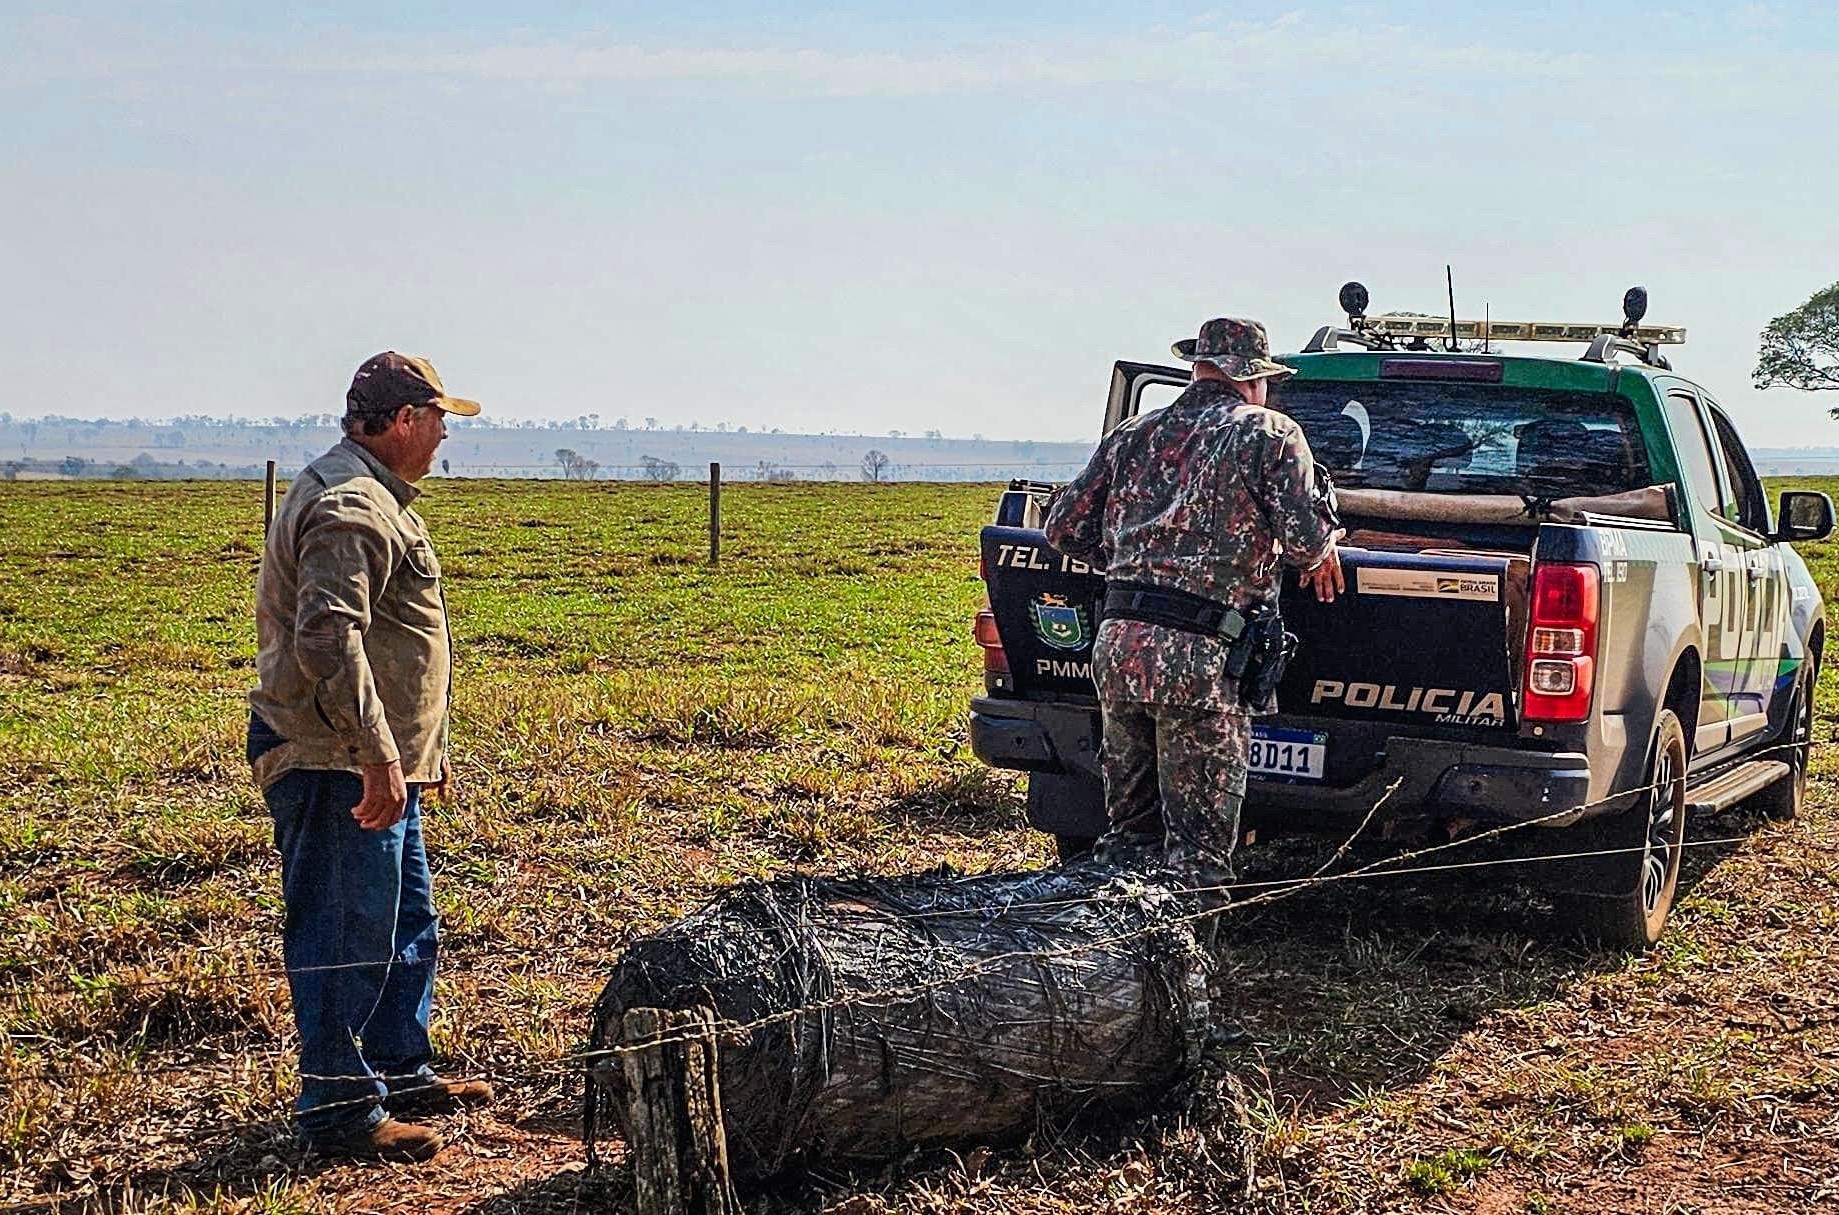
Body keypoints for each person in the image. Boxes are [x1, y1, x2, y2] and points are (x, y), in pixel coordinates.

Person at [247, 352, 492, 1162]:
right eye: (438, 417)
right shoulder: (352, 505)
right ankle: (341, 1111)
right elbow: (328, 634)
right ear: (401, 420)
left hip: (378, 756)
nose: (445, 432)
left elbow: (391, 646)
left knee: (404, 922)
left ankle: (398, 1066)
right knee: (347, 931)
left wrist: (419, 753)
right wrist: (375, 756)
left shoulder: (375, 495)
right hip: (336, 761)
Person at [1045, 317, 1343, 889]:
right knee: (1196, 852)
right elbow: (1306, 541)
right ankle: (1180, 973)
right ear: (1253, 378)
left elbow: (1062, 528)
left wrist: (1132, 566)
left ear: (1198, 367)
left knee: (1127, 836)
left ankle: (1108, 967)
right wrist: (1322, 551)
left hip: (1120, 644)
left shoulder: (1134, 432)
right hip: (1201, 659)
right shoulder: (1270, 434)